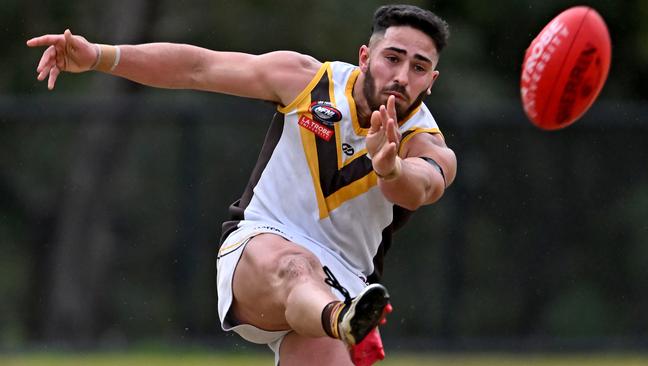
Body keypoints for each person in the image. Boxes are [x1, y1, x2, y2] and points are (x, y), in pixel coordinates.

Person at [27, 4, 456, 365]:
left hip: (344, 286)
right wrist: (100, 55)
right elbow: (199, 67)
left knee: (314, 293)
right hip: (261, 247)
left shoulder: (429, 147)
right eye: (392, 57)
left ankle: (340, 319)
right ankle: (340, 320)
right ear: (365, 56)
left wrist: (390, 169)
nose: (402, 75)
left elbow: (419, 188)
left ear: (432, 81)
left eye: (419, 67)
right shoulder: (308, 80)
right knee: (293, 266)